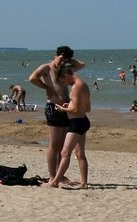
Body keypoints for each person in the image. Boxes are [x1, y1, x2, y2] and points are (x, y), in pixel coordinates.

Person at [29, 46, 80, 181]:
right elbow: (32, 78)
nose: (62, 62)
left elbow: (81, 65)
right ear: (56, 55)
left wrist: (67, 60)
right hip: (53, 107)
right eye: (61, 58)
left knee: (63, 144)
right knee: (54, 144)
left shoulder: (63, 69)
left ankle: (59, 175)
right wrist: (47, 87)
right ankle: (52, 176)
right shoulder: (46, 68)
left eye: (66, 60)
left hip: (65, 108)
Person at [48, 62, 90, 188]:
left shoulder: (76, 86)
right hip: (83, 121)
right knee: (80, 154)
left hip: (76, 124)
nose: (65, 83)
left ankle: (54, 182)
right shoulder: (84, 85)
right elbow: (87, 108)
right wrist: (70, 105)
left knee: (65, 153)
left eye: (63, 80)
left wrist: (63, 109)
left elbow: (77, 110)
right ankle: (84, 183)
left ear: (67, 75)